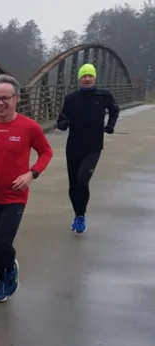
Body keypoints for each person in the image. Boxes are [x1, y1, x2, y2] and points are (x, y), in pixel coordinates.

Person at [0, 75, 54, 303]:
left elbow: (46, 152)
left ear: (16, 99)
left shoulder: (29, 127)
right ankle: (4, 278)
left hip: (15, 196)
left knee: (2, 244)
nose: (0, 103)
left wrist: (31, 174)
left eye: (5, 98)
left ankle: (10, 268)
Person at [57, 63, 119, 234]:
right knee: (73, 184)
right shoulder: (71, 98)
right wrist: (62, 124)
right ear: (79, 79)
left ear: (94, 78)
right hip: (73, 147)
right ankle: (78, 215)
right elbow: (61, 119)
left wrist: (110, 125)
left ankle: (81, 216)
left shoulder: (104, 96)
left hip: (93, 147)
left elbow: (115, 110)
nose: (87, 79)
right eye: (84, 76)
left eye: (90, 76)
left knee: (82, 181)